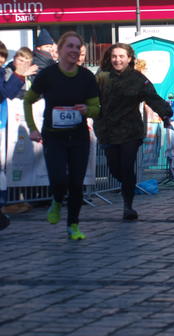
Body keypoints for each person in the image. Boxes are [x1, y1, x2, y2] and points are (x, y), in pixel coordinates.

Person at [23, 32, 100, 240]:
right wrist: (32, 128)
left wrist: (87, 110)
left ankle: (73, 225)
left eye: (77, 47)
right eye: (70, 46)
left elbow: (96, 108)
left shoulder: (87, 77)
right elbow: (28, 100)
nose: (74, 50)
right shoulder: (47, 75)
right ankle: (57, 200)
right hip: (54, 137)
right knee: (58, 179)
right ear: (59, 50)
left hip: (79, 138)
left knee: (76, 183)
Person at [94, 43, 173, 220]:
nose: (117, 60)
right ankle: (127, 184)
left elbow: (152, 97)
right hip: (107, 130)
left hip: (130, 130)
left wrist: (165, 114)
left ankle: (128, 206)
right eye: (114, 56)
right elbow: (89, 96)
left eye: (121, 56)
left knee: (127, 166)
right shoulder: (102, 76)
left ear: (129, 58)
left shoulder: (138, 78)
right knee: (115, 169)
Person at [0, 42, 37, 230]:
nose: (1, 60)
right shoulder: (5, 72)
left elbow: (9, 93)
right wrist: (20, 74)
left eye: (2, 56)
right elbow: (6, 92)